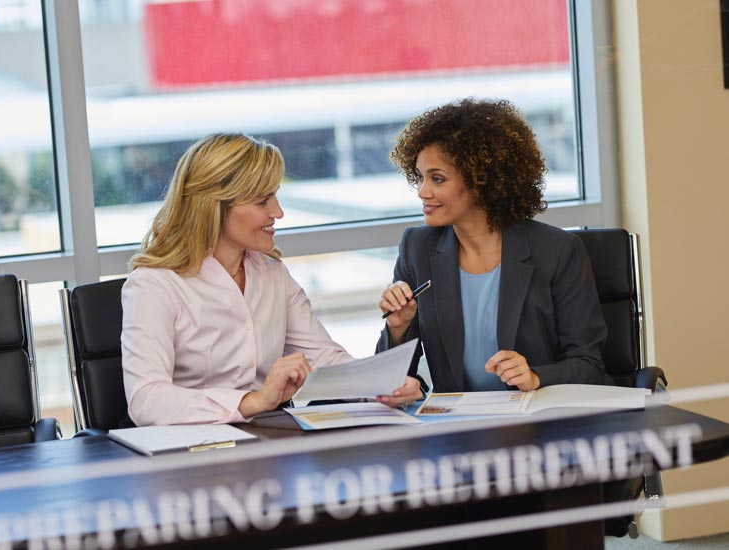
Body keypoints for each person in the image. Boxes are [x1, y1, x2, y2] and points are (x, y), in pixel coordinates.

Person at [376, 98, 613, 404]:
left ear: (481, 181)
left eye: (437, 178)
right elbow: (398, 379)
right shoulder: (417, 248)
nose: (422, 191)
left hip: (540, 423)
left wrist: (536, 376)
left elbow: (588, 365)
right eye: (420, 177)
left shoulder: (557, 251)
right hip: (460, 430)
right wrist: (398, 327)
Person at [121, 133, 362, 426]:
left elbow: (323, 357)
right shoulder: (153, 285)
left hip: (268, 444)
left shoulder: (273, 273)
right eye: (263, 201)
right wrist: (253, 402)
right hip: (191, 454)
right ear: (215, 207)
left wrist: (382, 385)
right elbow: (147, 400)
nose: (278, 212)